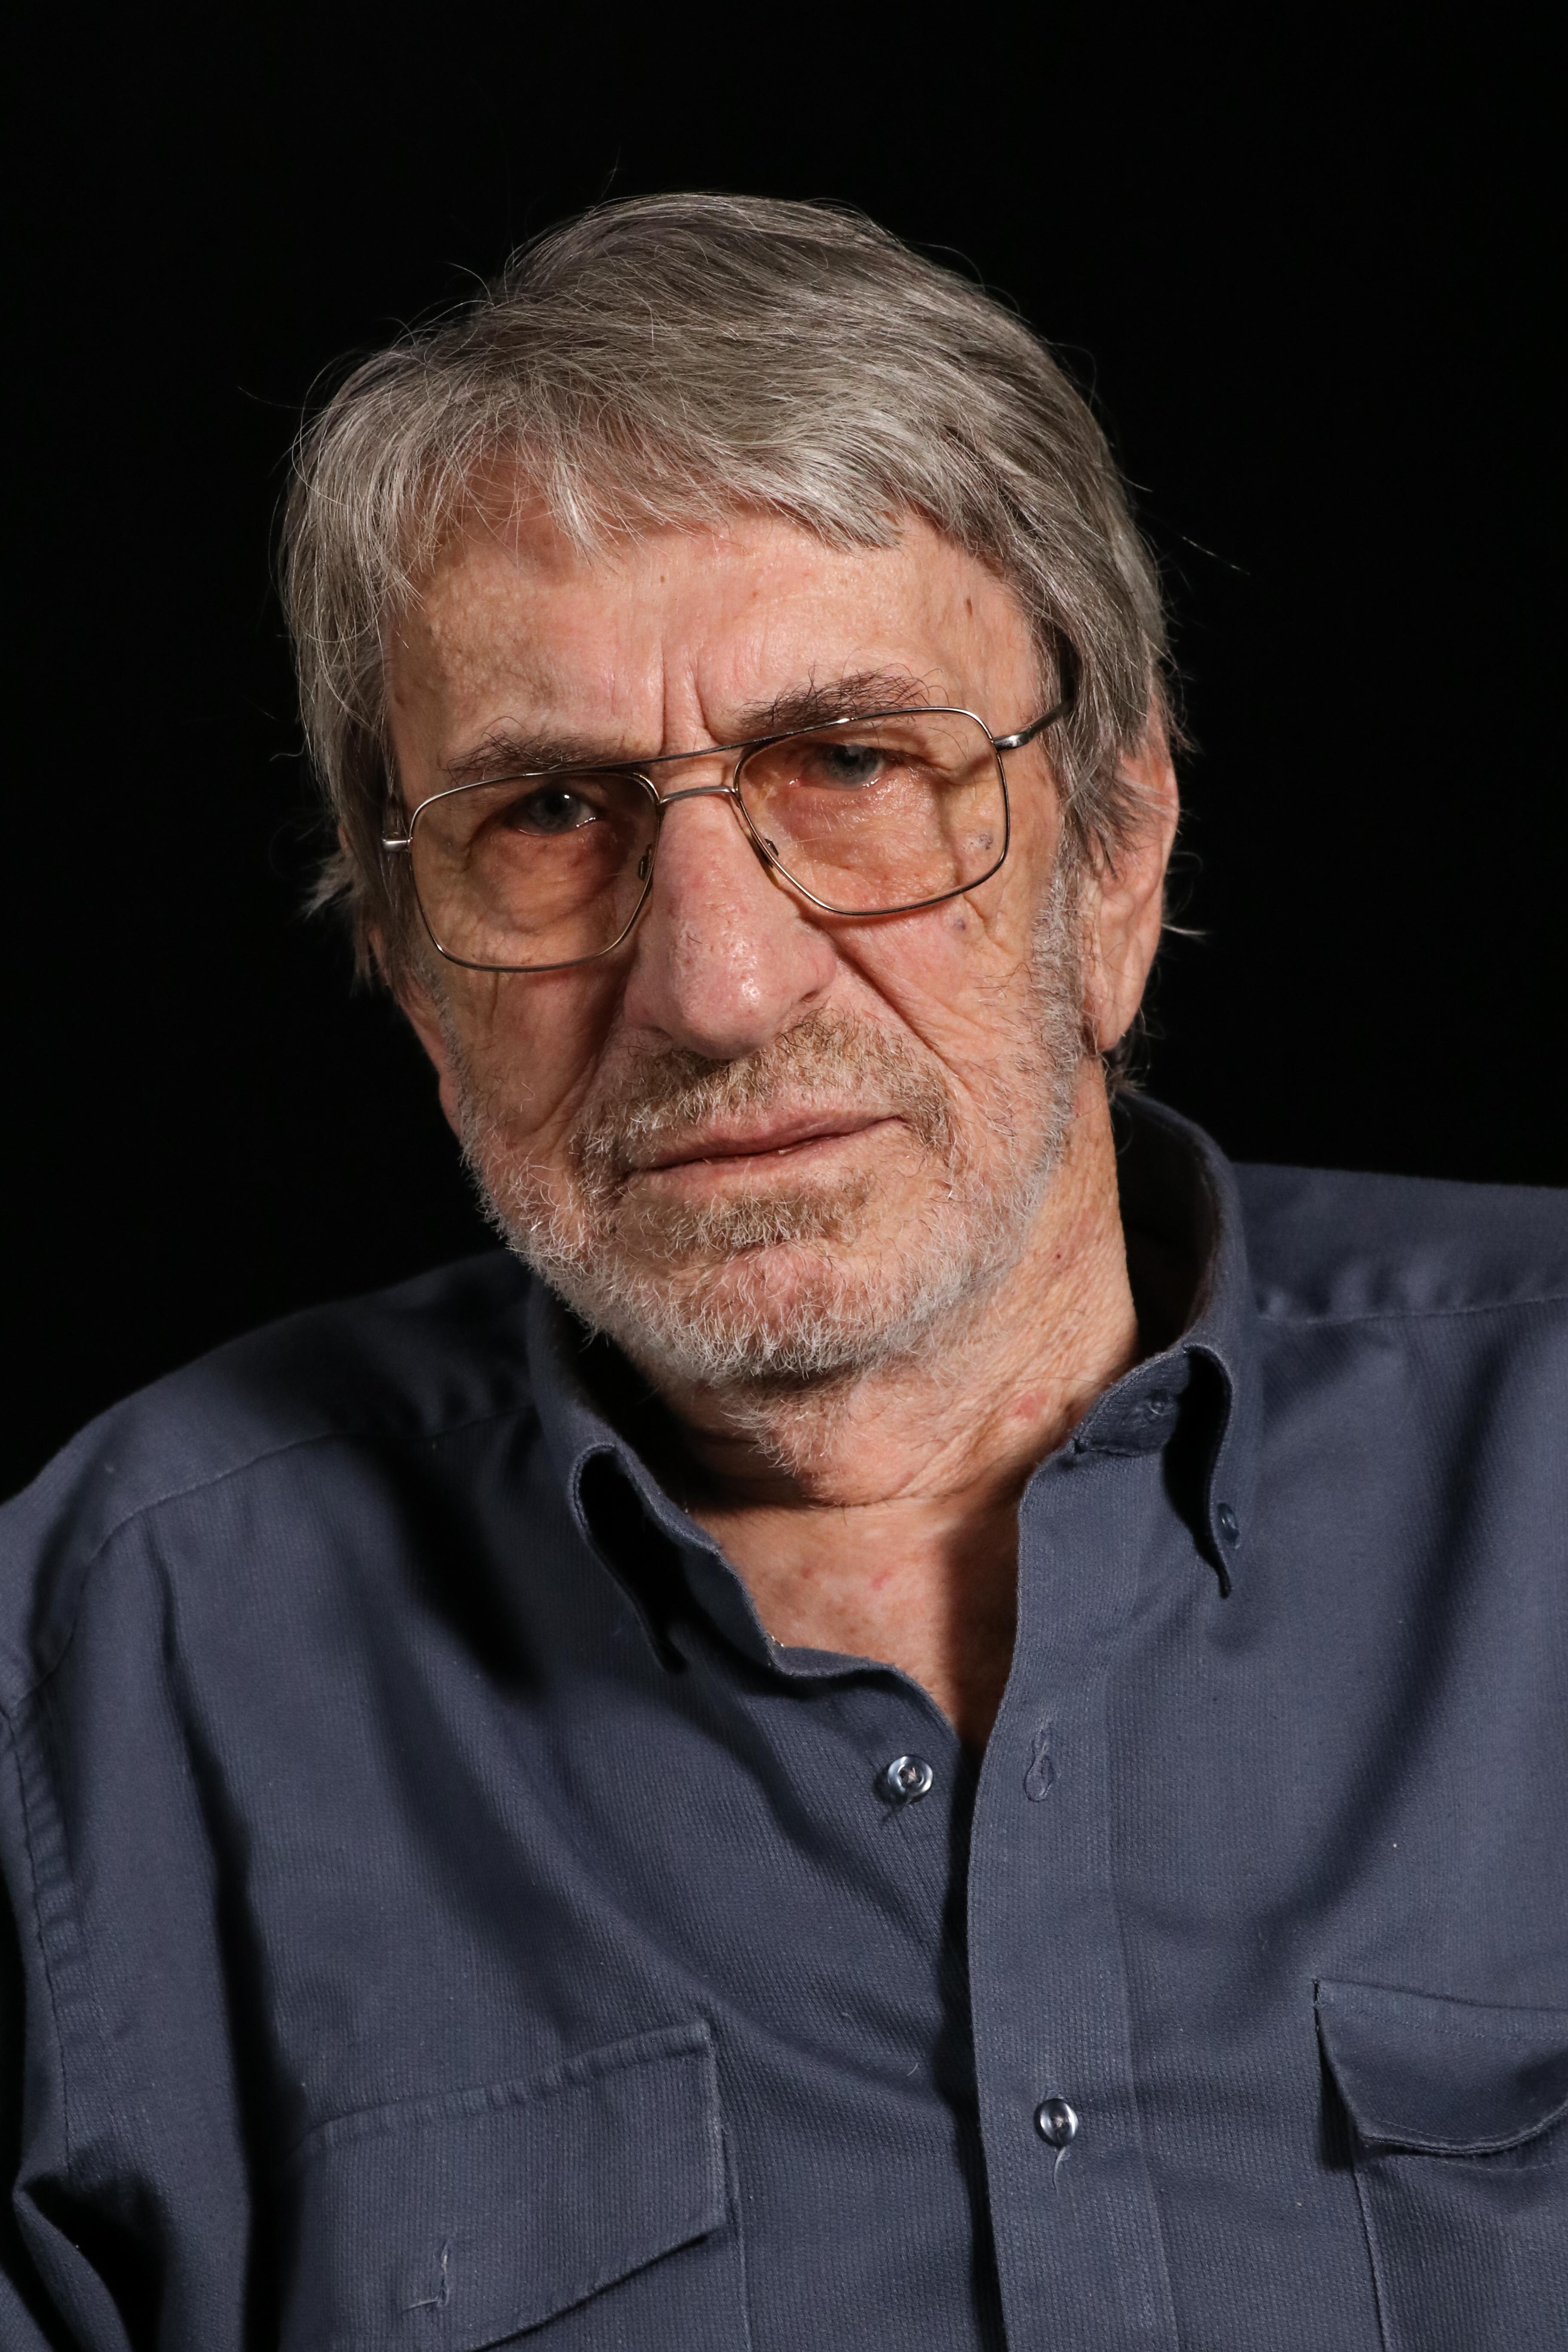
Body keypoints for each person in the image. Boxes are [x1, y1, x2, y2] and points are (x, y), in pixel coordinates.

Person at [2, 194, 1564, 2352]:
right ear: (407, 959)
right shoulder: (106, 1664)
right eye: (551, 811)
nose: (717, 983)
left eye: (848, 763)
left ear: (1115, 857)